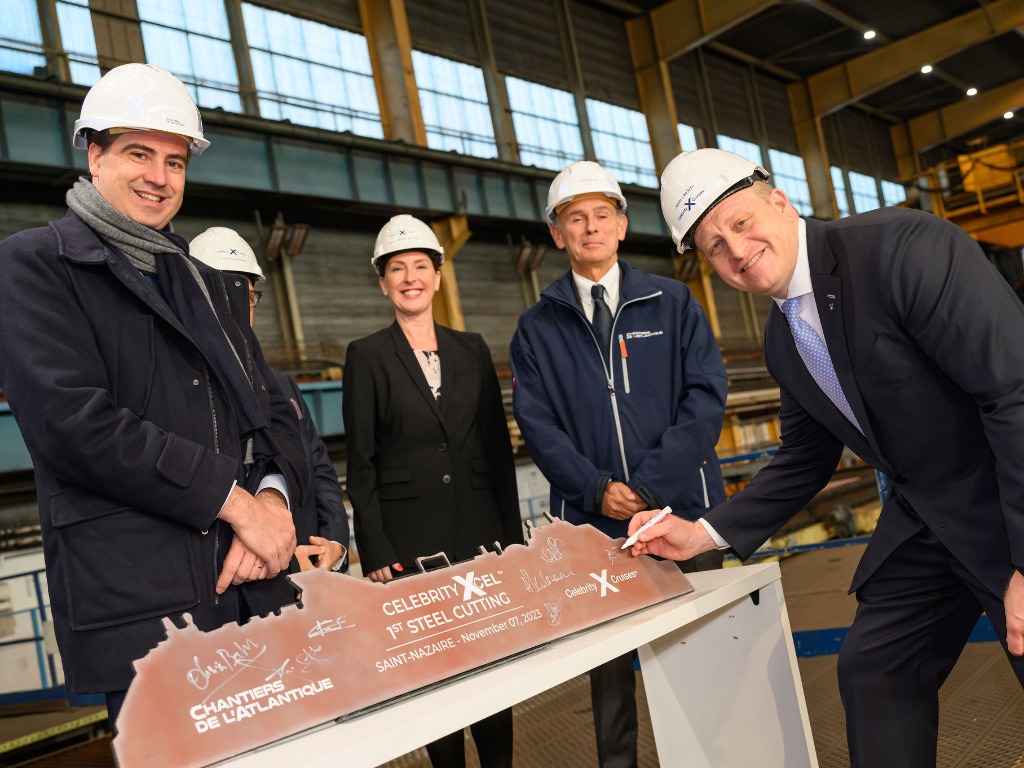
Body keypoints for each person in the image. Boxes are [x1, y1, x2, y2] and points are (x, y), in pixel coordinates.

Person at [628, 147, 1024, 767]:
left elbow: (1014, 391)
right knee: (876, 671)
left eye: (740, 222)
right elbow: (805, 459)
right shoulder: (783, 338)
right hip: (930, 517)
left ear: (780, 202)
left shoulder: (901, 249)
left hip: (1007, 497)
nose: (736, 250)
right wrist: (701, 533)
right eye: (714, 246)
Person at [0, 64, 306, 725]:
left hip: (253, 591)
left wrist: (273, 504)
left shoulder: (204, 282)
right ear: (95, 155)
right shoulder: (35, 266)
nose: (159, 177)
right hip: (149, 616)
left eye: (175, 162)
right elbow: (75, 426)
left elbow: (273, 411)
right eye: (139, 153)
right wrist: (235, 504)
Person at [509, 160, 728, 768]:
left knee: (699, 660)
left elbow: (705, 397)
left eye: (601, 215)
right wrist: (594, 488)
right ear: (557, 234)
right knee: (610, 681)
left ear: (622, 226)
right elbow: (537, 424)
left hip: (683, 512)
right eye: (575, 218)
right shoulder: (536, 327)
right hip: (593, 528)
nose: (590, 228)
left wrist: (651, 486)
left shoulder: (673, 301)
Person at [343, 214, 521, 768]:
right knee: (436, 674)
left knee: (491, 667)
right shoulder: (367, 355)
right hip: (410, 542)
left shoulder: (472, 349)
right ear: (382, 283)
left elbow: (497, 450)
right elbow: (362, 462)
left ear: (438, 277)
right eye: (397, 269)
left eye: (420, 266)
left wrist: (513, 540)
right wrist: (376, 550)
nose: (410, 278)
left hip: (480, 536)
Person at [190, 226, 349, 573]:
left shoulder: (281, 385)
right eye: (223, 293)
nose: (237, 307)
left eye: (246, 297)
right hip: (247, 573)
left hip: (311, 563)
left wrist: (334, 541)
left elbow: (319, 467)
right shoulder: (186, 389)